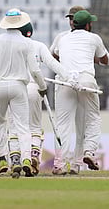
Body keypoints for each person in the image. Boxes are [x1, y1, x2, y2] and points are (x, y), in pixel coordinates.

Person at [52, 10, 109, 175]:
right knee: (92, 119)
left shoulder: (62, 38)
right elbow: (103, 58)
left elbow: (53, 56)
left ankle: (60, 164)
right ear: (88, 25)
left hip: (64, 80)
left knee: (62, 125)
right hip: (86, 80)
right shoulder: (93, 38)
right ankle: (89, 152)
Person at [0, 8, 47, 178]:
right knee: (23, 126)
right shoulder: (27, 43)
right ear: (21, 23)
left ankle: (2, 158)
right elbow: (35, 69)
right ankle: (25, 159)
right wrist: (41, 85)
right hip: (18, 86)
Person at [7, 22, 69, 175]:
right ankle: (34, 154)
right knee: (34, 127)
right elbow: (52, 63)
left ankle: (16, 160)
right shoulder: (39, 45)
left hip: (15, 88)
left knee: (15, 127)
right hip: (34, 88)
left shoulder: (9, 46)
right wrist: (68, 77)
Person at [49, 5, 85, 174]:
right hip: (64, 83)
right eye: (70, 18)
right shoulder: (61, 37)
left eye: (74, 18)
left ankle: (77, 163)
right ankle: (60, 163)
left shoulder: (89, 38)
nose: (72, 21)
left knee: (81, 125)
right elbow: (50, 57)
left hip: (81, 83)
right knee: (63, 125)